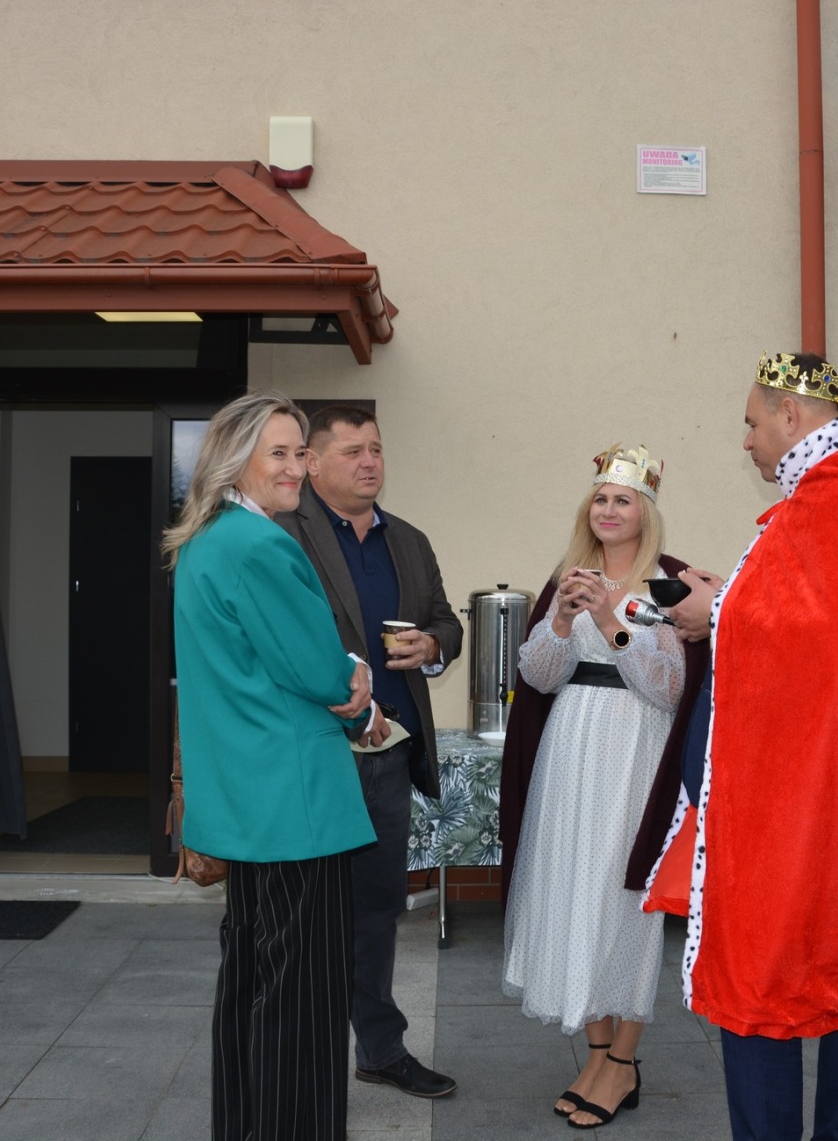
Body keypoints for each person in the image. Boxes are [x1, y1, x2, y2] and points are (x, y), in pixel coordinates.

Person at [645, 353, 838, 1141]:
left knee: (765, 973)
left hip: (804, 800)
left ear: (791, 416)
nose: (746, 441)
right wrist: (728, 600)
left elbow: (825, 638)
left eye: (751, 422)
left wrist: (718, 611)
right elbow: (820, 618)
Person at [165, 390, 375, 1141]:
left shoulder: (207, 540)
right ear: (235, 461)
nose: (295, 468)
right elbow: (317, 670)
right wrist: (357, 678)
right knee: (302, 1001)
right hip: (295, 804)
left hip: (248, 801)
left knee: (252, 985)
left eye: (299, 452)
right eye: (278, 453)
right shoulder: (259, 544)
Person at [498, 445, 709, 1131]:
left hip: (635, 751)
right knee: (571, 889)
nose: (608, 510)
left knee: (623, 900)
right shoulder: (569, 575)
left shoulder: (668, 586)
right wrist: (562, 620)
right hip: (570, 747)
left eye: (623, 499)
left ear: (645, 512)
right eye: (600, 498)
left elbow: (669, 688)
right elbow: (538, 676)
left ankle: (623, 1061)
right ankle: (595, 1054)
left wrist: (613, 622)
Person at [276, 403, 463, 1100]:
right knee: (301, 914)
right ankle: (298, 1057)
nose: (369, 462)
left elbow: (445, 621)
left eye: (376, 449)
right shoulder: (280, 534)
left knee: (378, 911)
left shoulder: (407, 540)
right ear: (312, 462)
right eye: (352, 450)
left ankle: (380, 1051)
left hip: (386, 756)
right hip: (311, 756)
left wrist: (433, 645)